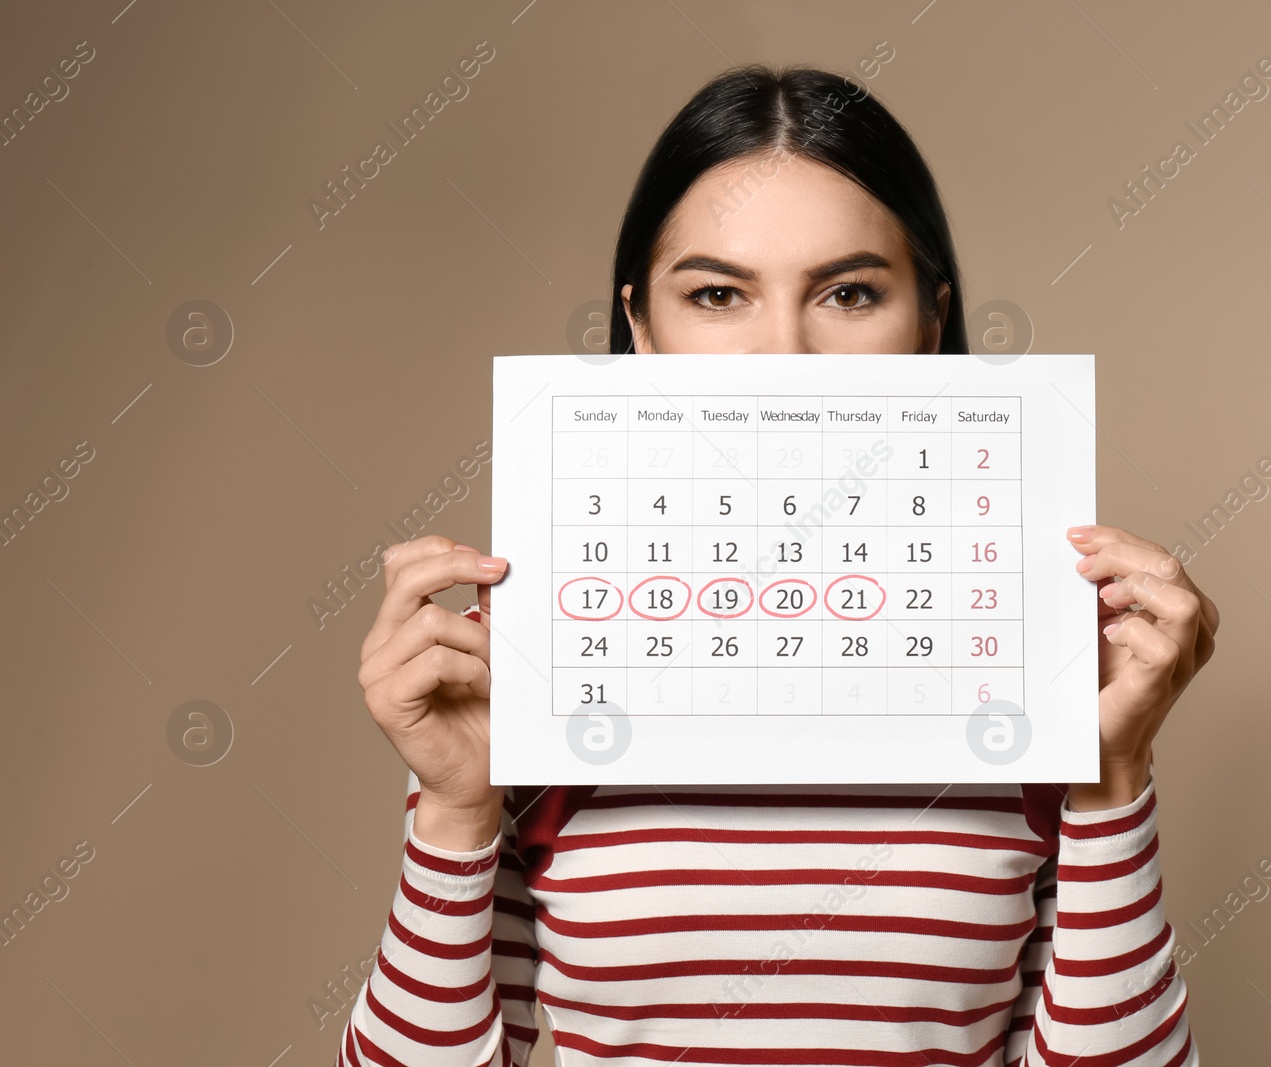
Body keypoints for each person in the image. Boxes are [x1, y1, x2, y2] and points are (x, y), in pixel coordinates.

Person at [340, 64, 1218, 1067]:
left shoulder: (1032, 658)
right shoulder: (529, 663)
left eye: (848, 293)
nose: (784, 356)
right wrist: (454, 811)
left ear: (931, 323)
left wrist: (1111, 775)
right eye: (718, 293)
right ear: (640, 329)